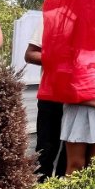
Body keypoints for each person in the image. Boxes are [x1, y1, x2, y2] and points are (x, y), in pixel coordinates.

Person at [60, 56, 95, 174]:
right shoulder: (70, 58)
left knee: (94, 163)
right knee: (76, 164)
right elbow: (63, 91)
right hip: (77, 112)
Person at [24, 19, 65, 180]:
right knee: (47, 148)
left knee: (71, 148)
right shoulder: (51, 20)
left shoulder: (92, 23)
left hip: (81, 98)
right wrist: (62, 59)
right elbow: (30, 54)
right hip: (52, 94)